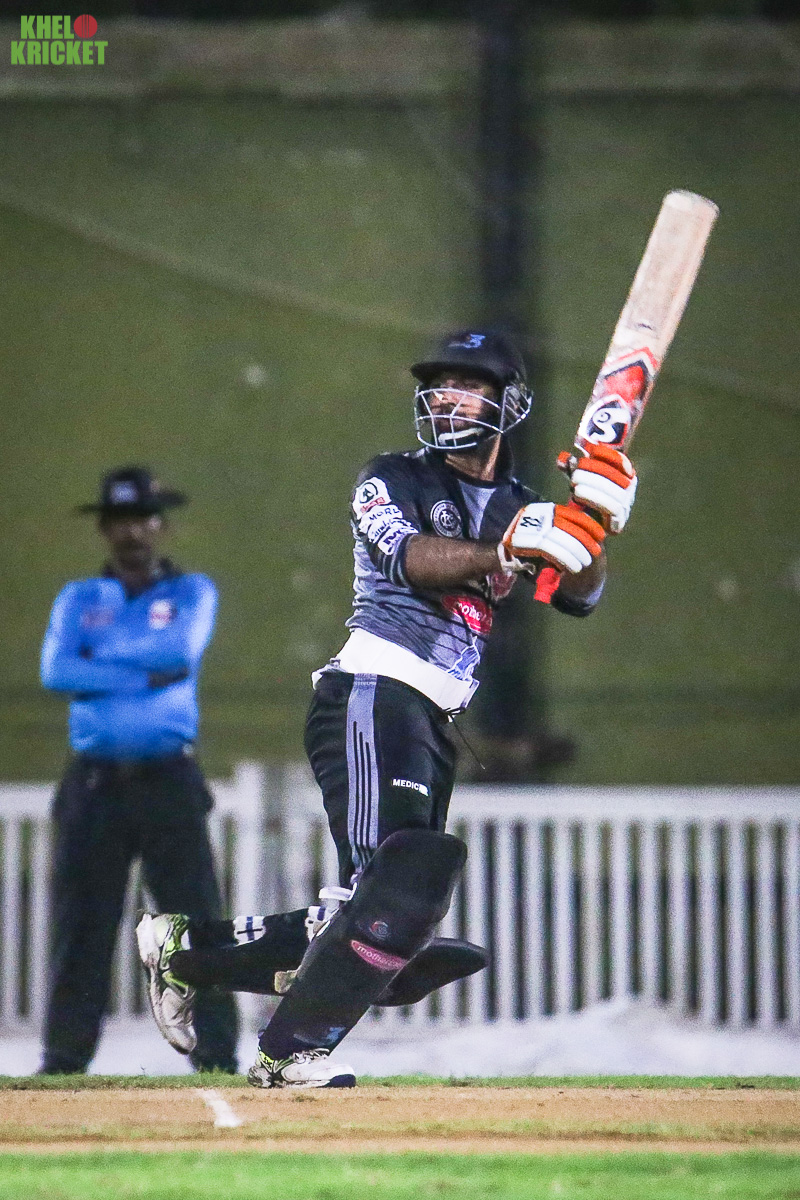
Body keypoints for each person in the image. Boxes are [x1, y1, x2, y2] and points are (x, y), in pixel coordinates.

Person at [137, 329, 638, 1089]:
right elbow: (409, 558)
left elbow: (580, 595)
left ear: (509, 403)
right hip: (374, 691)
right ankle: (290, 1052)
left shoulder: (519, 504)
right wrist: (508, 550)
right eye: (439, 386)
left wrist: (595, 521)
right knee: (394, 893)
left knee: (380, 908)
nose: (447, 399)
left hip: (429, 715)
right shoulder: (391, 477)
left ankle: (183, 949)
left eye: (467, 386)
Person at [39, 466, 239, 1075]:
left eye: (143, 520)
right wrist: (141, 672)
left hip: (167, 778)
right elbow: (56, 672)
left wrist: (97, 660)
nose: (132, 533)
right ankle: (64, 1061)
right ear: (105, 529)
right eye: (120, 522)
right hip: (94, 782)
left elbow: (178, 655)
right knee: (81, 925)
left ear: (160, 526)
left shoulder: (191, 592)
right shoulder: (78, 598)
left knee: (196, 921)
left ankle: (218, 1055)